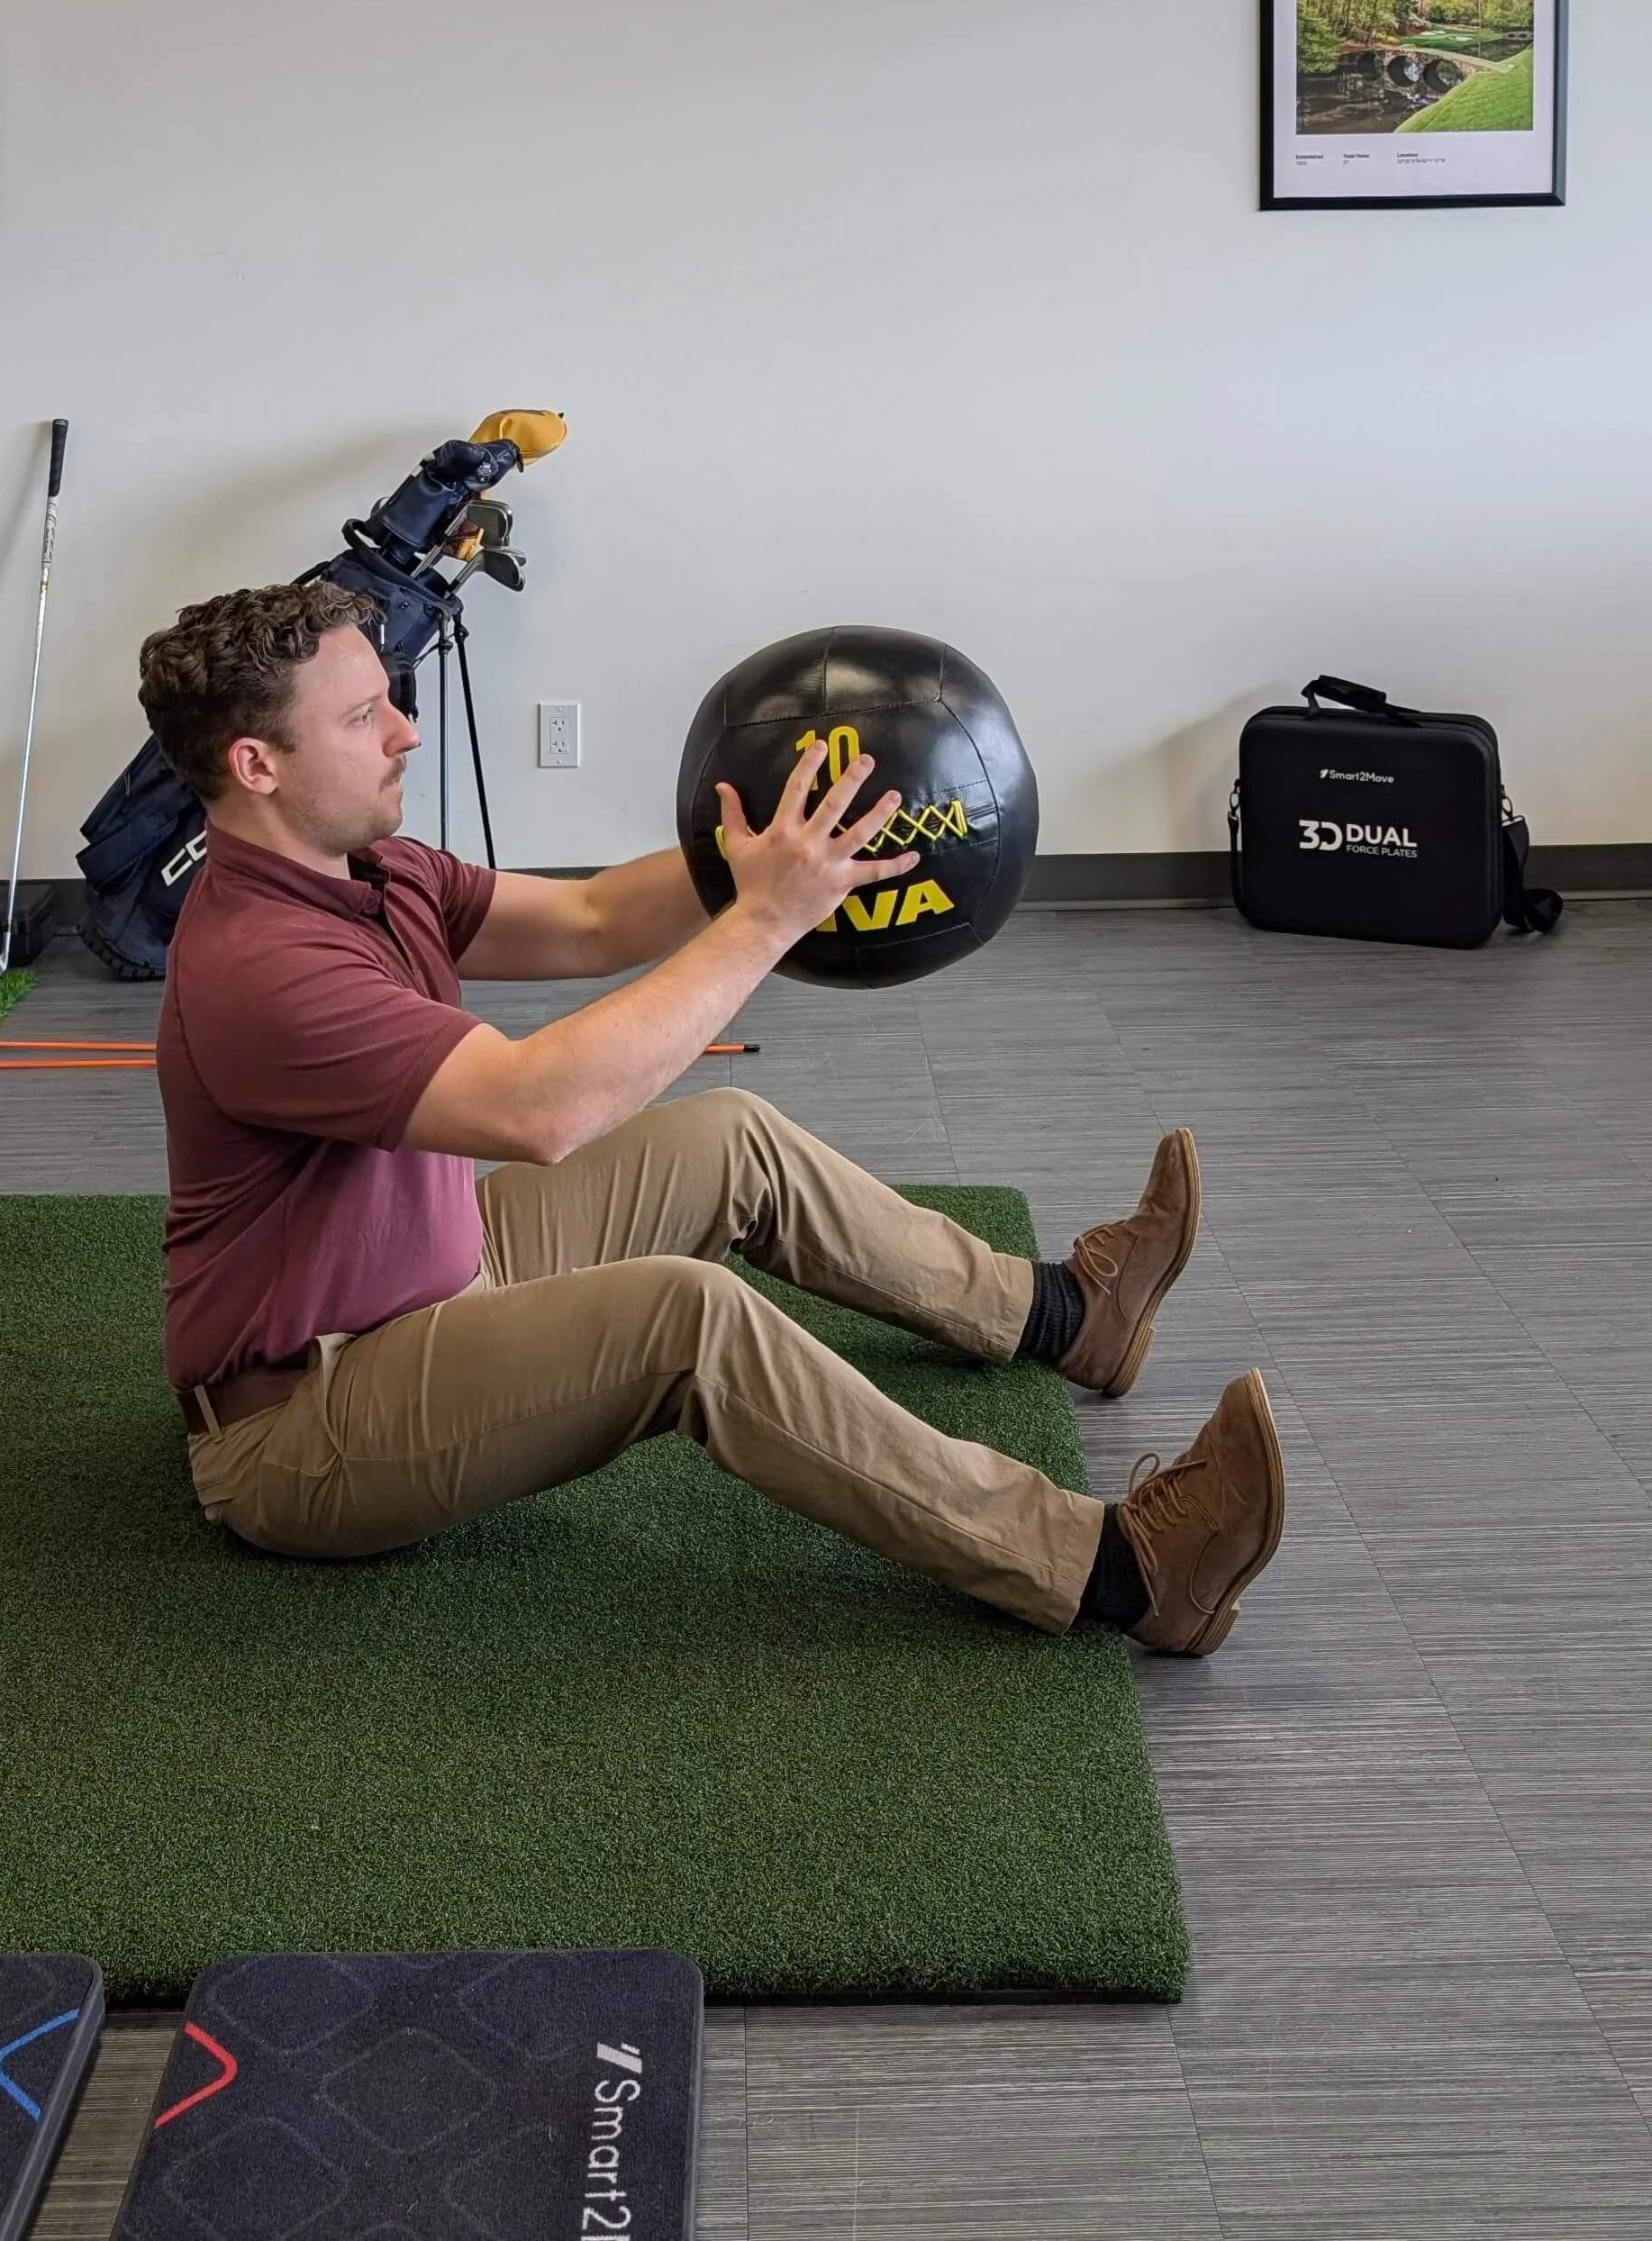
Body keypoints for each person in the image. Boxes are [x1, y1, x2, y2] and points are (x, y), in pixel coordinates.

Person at [141, 580, 1285, 1656]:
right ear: (258, 763)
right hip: (308, 1414)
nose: (405, 730)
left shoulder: (369, 868)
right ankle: (1119, 1569)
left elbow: (589, 919)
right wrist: (765, 920)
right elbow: (543, 1109)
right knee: (684, 1319)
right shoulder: (263, 964)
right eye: (362, 716)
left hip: (436, 1270)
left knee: (728, 1130)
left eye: (391, 698)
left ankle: (1065, 1313)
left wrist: (768, 861)